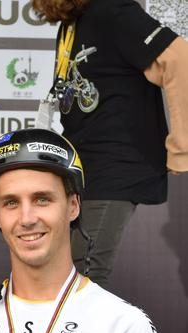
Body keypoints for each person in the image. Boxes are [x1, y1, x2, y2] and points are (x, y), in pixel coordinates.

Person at [0, 129, 170, 333]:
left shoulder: (127, 327)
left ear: (73, 206)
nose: (26, 218)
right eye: (11, 202)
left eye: (42, 199)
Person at [31, 0, 188, 287]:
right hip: (82, 165)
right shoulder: (74, 21)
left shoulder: (113, 10)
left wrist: (181, 147)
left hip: (116, 163)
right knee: (69, 276)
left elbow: (179, 59)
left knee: (83, 277)